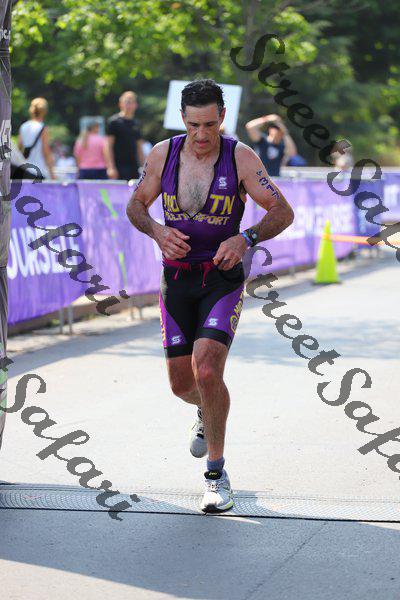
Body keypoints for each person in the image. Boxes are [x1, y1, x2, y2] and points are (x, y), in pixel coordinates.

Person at [126, 79, 294, 513]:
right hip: (176, 280)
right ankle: (206, 409)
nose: (202, 135)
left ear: (222, 117)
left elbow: (282, 210)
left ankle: (216, 475)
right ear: (182, 119)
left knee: (206, 368)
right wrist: (157, 231)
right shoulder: (163, 154)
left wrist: (246, 237)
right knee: (183, 384)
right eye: (194, 125)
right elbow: (135, 205)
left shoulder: (240, 157)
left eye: (210, 125)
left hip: (222, 279)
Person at [106, 91, 145, 181]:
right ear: (120, 104)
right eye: (127, 102)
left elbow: (140, 147)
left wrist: (144, 167)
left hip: (133, 166)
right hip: (118, 166)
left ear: (136, 105)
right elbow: (108, 146)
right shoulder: (114, 122)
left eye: (132, 102)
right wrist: (111, 167)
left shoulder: (136, 123)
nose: (129, 105)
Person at [18, 97, 55, 180]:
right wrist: (52, 173)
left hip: (25, 171)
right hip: (39, 170)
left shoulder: (23, 126)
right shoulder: (43, 128)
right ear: (44, 112)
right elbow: (46, 152)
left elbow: (19, 149)